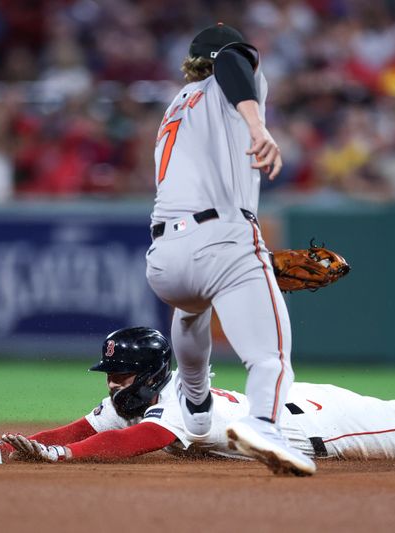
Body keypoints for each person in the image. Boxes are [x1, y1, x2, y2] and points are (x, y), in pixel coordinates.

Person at [0, 307, 395, 473]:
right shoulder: (134, 398)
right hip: (290, 404)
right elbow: (84, 429)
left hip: (321, 427)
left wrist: (59, 457)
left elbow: (134, 443)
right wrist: (21, 445)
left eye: (118, 374)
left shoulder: (173, 401)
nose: (112, 383)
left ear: (146, 376)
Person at [142, 23, 312, 475]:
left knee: (193, 306)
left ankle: (195, 399)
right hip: (224, 236)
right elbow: (232, 64)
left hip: (165, 260)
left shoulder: (176, 106)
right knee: (270, 357)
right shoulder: (232, 78)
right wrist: (258, 126)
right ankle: (262, 424)